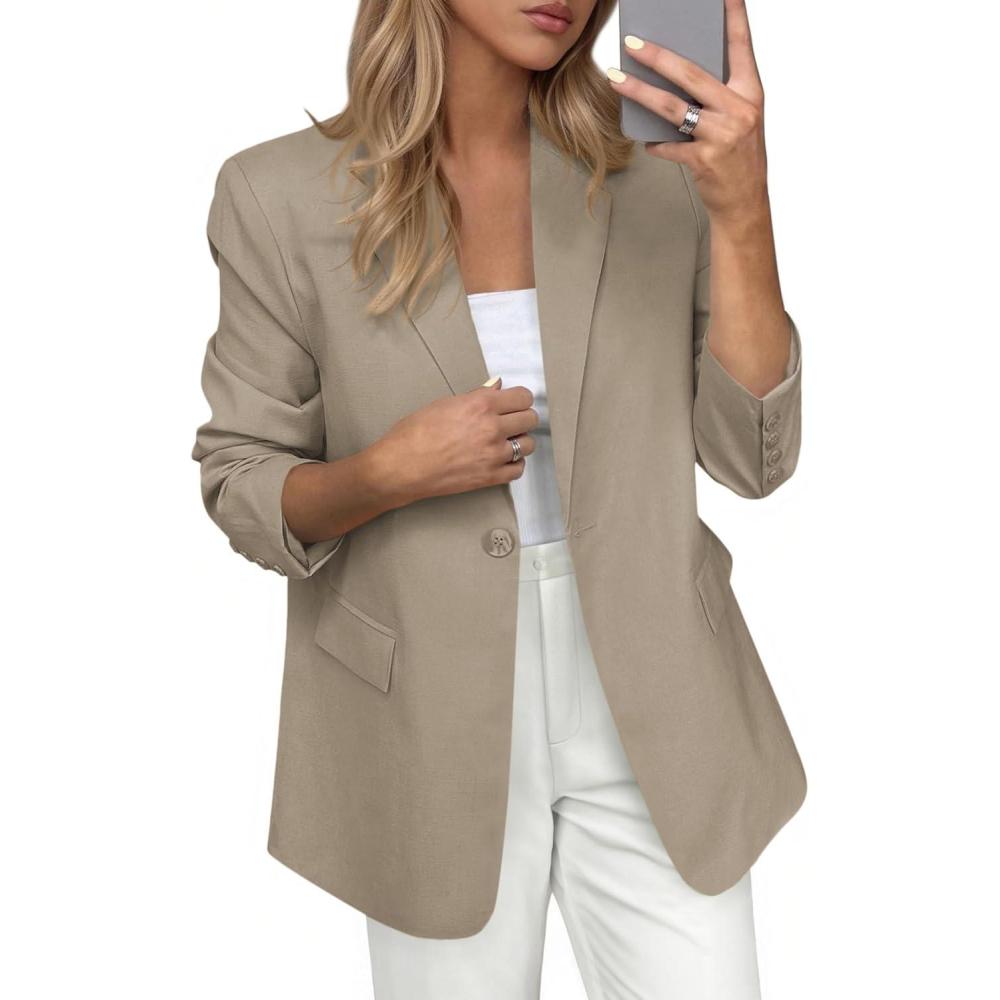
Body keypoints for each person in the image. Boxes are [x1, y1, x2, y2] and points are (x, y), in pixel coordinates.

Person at [191, 0, 806, 995]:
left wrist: (743, 210)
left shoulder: (665, 172)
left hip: (660, 695)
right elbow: (242, 481)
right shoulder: (278, 196)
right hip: (426, 711)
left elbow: (753, 461)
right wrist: (389, 470)